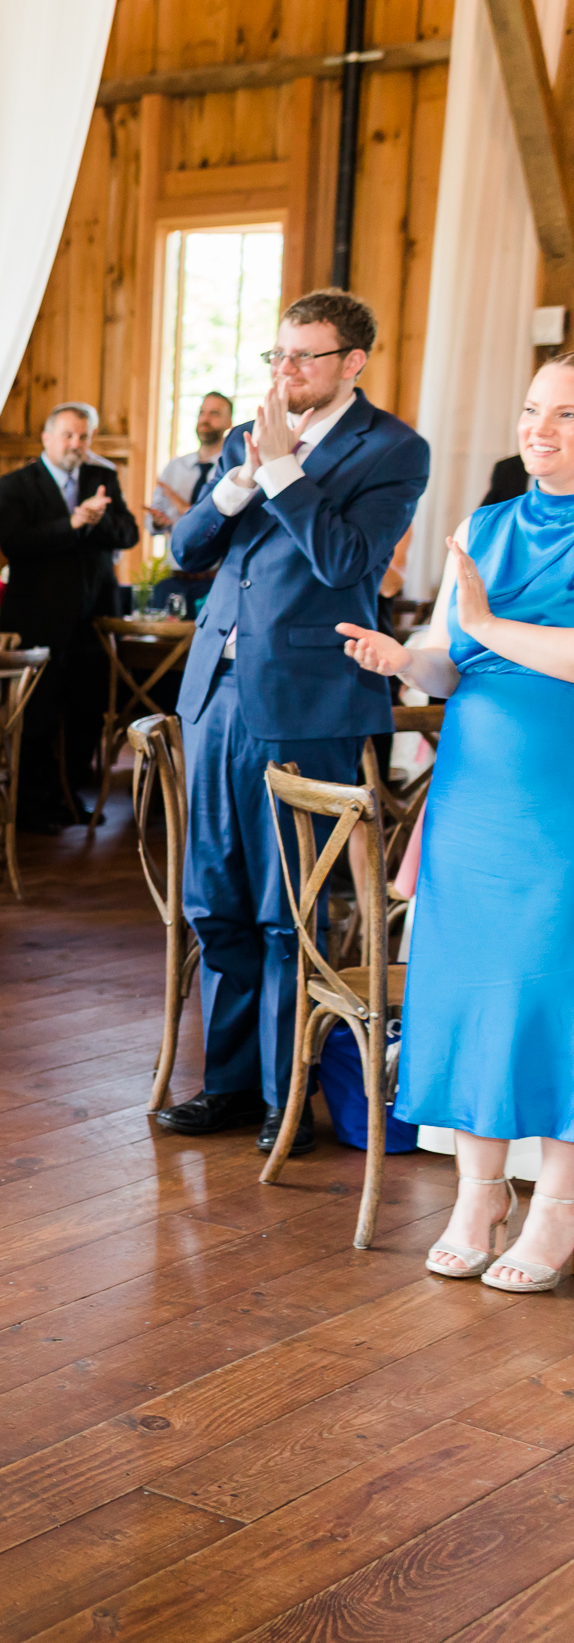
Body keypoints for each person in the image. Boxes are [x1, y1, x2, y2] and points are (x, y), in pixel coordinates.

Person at [152, 288, 430, 1157]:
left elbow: (347, 562)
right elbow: (185, 551)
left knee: (289, 913)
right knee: (216, 900)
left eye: (305, 356)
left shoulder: (393, 448)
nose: (286, 371)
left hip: (309, 701)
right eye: (278, 355)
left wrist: (282, 472)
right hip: (216, 694)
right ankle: (230, 1085)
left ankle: (288, 1095)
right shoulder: (249, 436)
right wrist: (240, 479)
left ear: (353, 362)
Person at [343, 357, 574, 1291]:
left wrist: (484, 621)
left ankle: (557, 1207)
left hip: (560, 798)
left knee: (555, 988)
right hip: (474, 792)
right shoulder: (485, 525)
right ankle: (480, 1195)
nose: (539, 428)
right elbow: (452, 659)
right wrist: (407, 658)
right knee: (473, 985)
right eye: (532, 409)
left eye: (566, 414)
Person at [0, 402, 140, 831]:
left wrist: (95, 521)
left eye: (83, 436)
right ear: (47, 438)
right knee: (38, 717)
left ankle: (70, 796)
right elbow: (14, 542)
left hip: (93, 619)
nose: (76, 444)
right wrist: (72, 523)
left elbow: (129, 533)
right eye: (68, 435)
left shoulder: (101, 478)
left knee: (86, 715)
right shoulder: (17, 483)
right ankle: (31, 805)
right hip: (37, 619)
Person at [149, 392, 234, 532]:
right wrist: (157, 522)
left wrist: (184, 508)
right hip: (175, 545)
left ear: (229, 423)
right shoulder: (175, 467)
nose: (205, 419)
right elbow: (151, 523)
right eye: (202, 413)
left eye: (214, 414)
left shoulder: (232, 470)